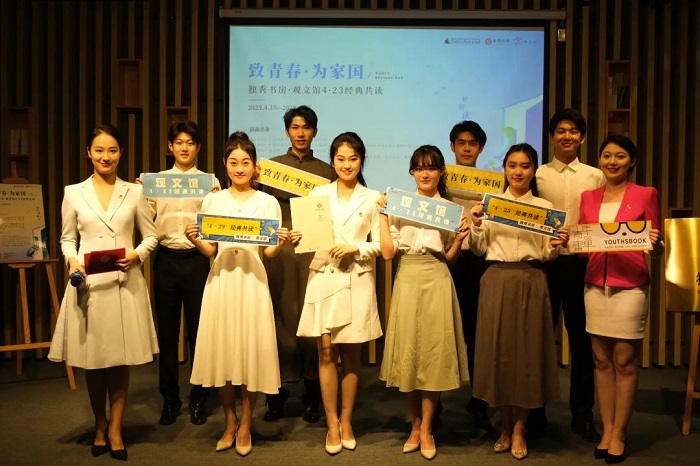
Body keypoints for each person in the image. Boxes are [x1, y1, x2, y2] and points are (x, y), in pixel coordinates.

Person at [48, 124, 159, 461]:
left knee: (120, 360)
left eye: (112, 150)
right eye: (99, 150)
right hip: (89, 284)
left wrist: (137, 255)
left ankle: (116, 429)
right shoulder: (73, 192)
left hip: (125, 284)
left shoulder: (135, 192)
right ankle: (99, 424)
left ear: (120, 153)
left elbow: (150, 235)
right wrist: (72, 260)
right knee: (93, 360)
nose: (105, 156)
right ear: (89, 153)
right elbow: (67, 238)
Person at [186, 132, 288, 456]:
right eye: (233, 162)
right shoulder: (213, 200)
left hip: (253, 283)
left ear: (255, 166)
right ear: (225, 164)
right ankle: (229, 422)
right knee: (224, 353)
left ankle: (246, 423)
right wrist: (194, 239)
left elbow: (267, 253)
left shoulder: (267, 202)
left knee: (249, 353)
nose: (240, 168)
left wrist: (279, 244)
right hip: (221, 282)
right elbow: (210, 250)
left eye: (245, 162)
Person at [469, 143, 567, 461]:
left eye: (525, 166)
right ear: (505, 168)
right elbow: (479, 248)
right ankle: (504, 425)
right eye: (512, 165)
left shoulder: (544, 206)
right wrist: (477, 223)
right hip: (496, 278)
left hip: (531, 278)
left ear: (533, 170)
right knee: (498, 353)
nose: (518, 172)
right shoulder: (491, 203)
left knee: (526, 355)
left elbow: (548, 254)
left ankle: (521, 428)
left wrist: (556, 244)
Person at [378, 145, 469, 461]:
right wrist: (382, 216)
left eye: (430, 167)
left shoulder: (450, 209)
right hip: (407, 274)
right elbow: (388, 253)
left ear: (441, 171)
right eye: (418, 168)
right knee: (410, 352)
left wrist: (459, 239)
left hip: (437, 276)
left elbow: (449, 257)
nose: (424, 173)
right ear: (412, 172)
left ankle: (428, 427)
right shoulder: (399, 204)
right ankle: (414, 425)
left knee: (433, 353)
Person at [296, 132, 383, 455]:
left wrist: (355, 247)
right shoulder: (318, 193)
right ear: (332, 161)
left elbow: (381, 244)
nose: (347, 165)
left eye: (353, 158)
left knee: (351, 356)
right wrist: (299, 236)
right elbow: (309, 234)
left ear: (361, 161)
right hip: (324, 277)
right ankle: (331, 422)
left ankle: (347, 420)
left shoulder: (373, 198)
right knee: (326, 353)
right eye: (341, 158)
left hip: (356, 278)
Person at [578, 134, 663, 464]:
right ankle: (607, 428)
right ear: (600, 160)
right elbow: (584, 242)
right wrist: (567, 240)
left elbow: (657, 247)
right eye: (607, 156)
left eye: (620, 156)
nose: (612, 162)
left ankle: (620, 433)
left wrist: (655, 243)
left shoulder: (646, 194)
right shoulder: (588, 197)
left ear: (632, 161)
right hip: (594, 286)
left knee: (624, 361)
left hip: (630, 286)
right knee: (601, 360)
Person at [534, 108, 605, 441]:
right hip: (544, 265)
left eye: (573, 131)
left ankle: (583, 415)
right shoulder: (537, 174)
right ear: (552, 137)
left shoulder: (595, 176)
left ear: (582, 138)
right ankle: (535, 414)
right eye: (561, 131)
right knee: (539, 341)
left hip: (581, 264)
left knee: (582, 342)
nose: (567, 136)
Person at [261, 105, 335, 423]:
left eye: (306, 127)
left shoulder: (328, 171)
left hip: (313, 254)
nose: (300, 133)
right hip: (279, 254)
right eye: (295, 127)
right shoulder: (271, 168)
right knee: (279, 319)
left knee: (312, 320)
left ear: (315, 132)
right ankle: (275, 394)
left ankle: (312, 394)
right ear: (287, 131)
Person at [147, 121, 220, 426]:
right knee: (166, 333)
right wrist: (139, 192)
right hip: (165, 258)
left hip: (197, 260)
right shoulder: (156, 182)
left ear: (198, 147)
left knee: (198, 331)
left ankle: (199, 397)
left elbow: (217, 223)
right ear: (170, 147)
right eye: (179, 142)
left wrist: (216, 197)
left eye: (190, 142)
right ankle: (170, 399)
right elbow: (145, 218)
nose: (184, 147)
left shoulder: (210, 182)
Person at [447, 120, 492, 431]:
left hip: (477, 261)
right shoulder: (440, 178)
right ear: (452, 146)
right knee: (442, 331)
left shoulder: (492, 184)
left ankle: (479, 401)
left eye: (472, 143)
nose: (466, 148)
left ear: (481, 148)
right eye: (461, 143)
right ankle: (434, 403)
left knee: (477, 333)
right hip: (445, 259)